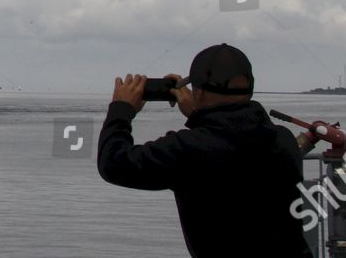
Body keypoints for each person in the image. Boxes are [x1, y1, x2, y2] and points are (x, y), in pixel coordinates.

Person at [97, 43, 311, 257]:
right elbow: (234, 140)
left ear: (197, 92)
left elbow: (114, 163)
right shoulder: (283, 140)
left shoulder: (187, 149)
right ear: (251, 86)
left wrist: (121, 109)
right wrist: (200, 116)